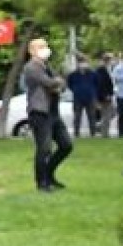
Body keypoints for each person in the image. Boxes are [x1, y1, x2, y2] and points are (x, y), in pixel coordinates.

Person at [23, 37, 72, 192]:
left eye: (45, 46)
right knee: (44, 148)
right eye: (40, 47)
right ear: (32, 51)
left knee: (66, 145)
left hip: (53, 112)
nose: (45, 49)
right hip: (40, 112)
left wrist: (57, 83)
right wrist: (56, 83)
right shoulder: (31, 67)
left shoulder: (47, 67)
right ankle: (42, 182)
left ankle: (49, 173)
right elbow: (50, 83)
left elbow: (61, 85)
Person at [66, 56, 99, 137]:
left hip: (90, 97)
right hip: (78, 98)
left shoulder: (92, 74)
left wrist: (93, 92)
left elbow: (97, 83)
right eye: (81, 62)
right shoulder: (73, 74)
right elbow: (69, 83)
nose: (83, 64)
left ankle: (93, 133)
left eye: (84, 62)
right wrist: (75, 89)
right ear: (78, 63)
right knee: (77, 116)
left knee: (91, 116)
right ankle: (76, 133)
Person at [96, 53, 116, 137]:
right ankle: (104, 133)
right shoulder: (101, 70)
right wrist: (105, 95)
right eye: (111, 59)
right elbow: (101, 84)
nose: (112, 61)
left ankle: (101, 127)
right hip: (105, 96)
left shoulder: (108, 69)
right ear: (107, 60)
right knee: (106, 115)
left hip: (108, 95)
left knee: (112, 112)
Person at [113, 54, 123, 140]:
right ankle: (121, 132)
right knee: (121, 115)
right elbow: (115, 78)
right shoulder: (118, 68)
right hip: (120, 94)